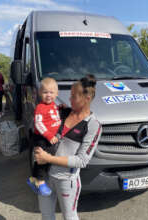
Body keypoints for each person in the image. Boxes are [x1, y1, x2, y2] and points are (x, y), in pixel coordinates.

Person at [34, 75, 102, 220]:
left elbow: (82, 160)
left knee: (69, 216)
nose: (69, 99)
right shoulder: (62, 112)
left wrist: (49, 158)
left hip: (66, 180)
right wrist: (38, 148)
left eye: (73, 97)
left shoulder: (93, 125)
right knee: (46, 215)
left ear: (87, 98)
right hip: (45, 175)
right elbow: (41, 128)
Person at [27, 77, 61, 196]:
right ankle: (40, 183)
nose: (48, 95)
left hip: (51, 137)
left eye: (51, 92)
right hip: (42, 138)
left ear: (56, 94)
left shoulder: (54, 105)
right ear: (40, 93)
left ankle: (33, 179)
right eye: (45, 92)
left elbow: (54, 117)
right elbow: (38, 124)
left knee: (49, 157)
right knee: (42, 159)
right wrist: (49, 135)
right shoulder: (40, 107)